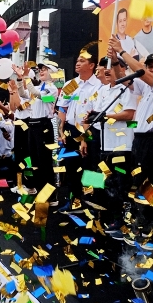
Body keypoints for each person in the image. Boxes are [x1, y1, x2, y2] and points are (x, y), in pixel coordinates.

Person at [109, 41, 153, 247]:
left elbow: (141, 73)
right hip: (139, 142)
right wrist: (115, 61)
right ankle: (149, 229)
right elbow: (124, 80)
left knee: (150, 190)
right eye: (151, 66)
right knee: (141, 189)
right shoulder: (148, 87)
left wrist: (121, 51)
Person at [87, 60, 137, 231]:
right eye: (105, 67)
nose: (107, 71)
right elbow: (97, 113)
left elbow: (129, 114)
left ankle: (123, 221)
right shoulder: (103, 90)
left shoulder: (128, 88)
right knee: (105, 182)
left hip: (122, 146)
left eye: (111, 67)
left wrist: (105, 116)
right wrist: (92, 117)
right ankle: (104, 212)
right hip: (103, 142)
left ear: (121, 69)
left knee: (121, 185)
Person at [56, 50, 102, 207]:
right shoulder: (71, 84)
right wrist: (61, 131)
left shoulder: (99, 86)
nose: (77, 63)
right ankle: (74, 201)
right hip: (71, 130)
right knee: (71, 166)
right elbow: (62, 108)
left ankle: (91, 203)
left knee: (91, 166)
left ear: (92, 65)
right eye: (77, 60)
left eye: (82, 61)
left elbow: (93, 114)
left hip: (90, 131)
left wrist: (85, 137)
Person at [13, 63, 59, 200]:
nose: (41, 71)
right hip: (32, 126)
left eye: (45, 69)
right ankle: (40, 193)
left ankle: (50, 197)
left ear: (53, 73)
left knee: (44, 162)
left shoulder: (53, 89)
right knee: (35, 162)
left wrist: (26, 77)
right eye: (40, 69)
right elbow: (23, 93)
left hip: (43, 126)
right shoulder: (39, 87)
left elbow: (39, 95)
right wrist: (20, 79)